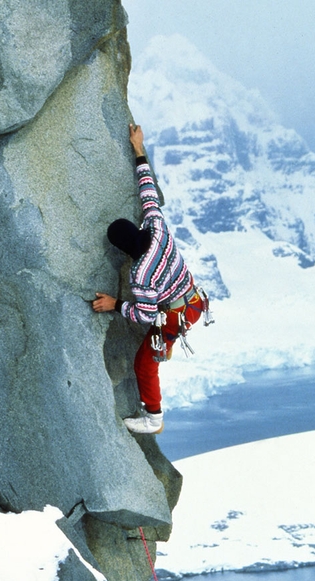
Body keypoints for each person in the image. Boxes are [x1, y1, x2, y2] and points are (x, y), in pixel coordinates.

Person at [93, 124, 204, 434]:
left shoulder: (141, 274)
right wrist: (138, 148)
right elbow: (149, 192)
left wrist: (115, 304)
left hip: (173, 316)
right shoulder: (156, 225)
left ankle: (153, 418)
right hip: (194, 298)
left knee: (144, 364)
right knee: (162, 330)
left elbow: (146, 314)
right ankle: (166, 343)